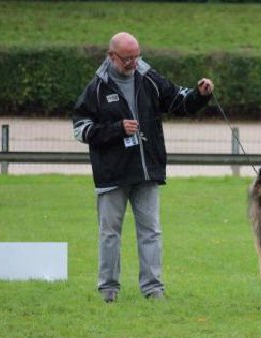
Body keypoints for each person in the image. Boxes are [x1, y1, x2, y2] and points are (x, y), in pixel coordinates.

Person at [72, 32, 214, 303]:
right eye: (127, 58)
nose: (133, 62)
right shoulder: (97, 88)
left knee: (151, 231)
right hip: (112, 174)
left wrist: (200, 95)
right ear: (112, 56)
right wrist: (116, 130)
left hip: (146, 170)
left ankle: (153, 289)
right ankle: (108, 290)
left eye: (137, 56)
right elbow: (80, 129)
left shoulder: (148, 77)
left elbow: (176, 100)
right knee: (109, 234)